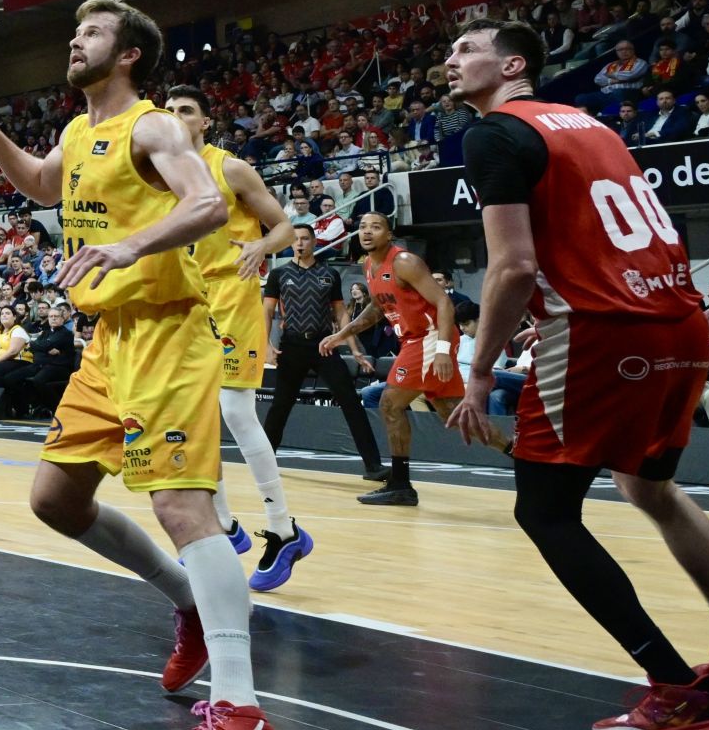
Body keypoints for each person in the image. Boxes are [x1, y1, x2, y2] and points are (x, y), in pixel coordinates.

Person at [0, 0, 281, 730]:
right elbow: (42, 183)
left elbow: (204, 203)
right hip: (109, 340)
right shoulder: (78, 130)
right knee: (55, 500)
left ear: (129, 53)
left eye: (93, 33)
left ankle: (242, 711)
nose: (76, 41)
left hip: (168, 332)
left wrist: (133, 248)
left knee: (183, 510)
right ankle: (189, 604)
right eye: (75, 33)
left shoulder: (155, 126)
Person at [444, 18, 709, 730]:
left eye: (466, 50)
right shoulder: (593, 128)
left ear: (513, 65)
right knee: (650, 487)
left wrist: (478, 373)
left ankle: (675, 688)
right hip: (679, 319)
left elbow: (512, 267)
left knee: (544, 511)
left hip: (605, 333)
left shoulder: (493, 134)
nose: (450, 60)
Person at [164, 87, 308, 592]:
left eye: (186, 111)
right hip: (188, 301)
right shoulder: (161, 174)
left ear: (204, 122)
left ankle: (284, 528)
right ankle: (223, 527)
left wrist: (263, 246)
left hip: (234, 295)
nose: (176, 118)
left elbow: (287, 227)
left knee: (236, 412)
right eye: (169, 111)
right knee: (193, 416)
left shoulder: (231, 169)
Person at [322, 213, 507, 505]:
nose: (367, 232)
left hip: (429, 338)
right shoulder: (370, 265)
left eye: (376, 227)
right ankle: (521, 453)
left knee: (389, 403)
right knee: (454, 413)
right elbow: (377, 308)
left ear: (389, 235)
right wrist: (341, 334)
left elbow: (444, 302)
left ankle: (401, 484)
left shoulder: (404, 262)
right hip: (415, 340)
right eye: (362, 227)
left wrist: (444, 350)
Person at [260, 225, 387, 477]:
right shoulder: (279, 274)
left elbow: (340, 313)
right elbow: (266, 312)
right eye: (295, 239)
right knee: (280, 407)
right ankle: (263, 463)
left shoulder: (329, 274)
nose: (300, 243)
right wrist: (265, 345)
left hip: (325, 345)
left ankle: (373, 466)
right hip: (292, 346)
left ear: (314, 241)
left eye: (305, 239)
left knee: (351, 402)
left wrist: (354, 348)